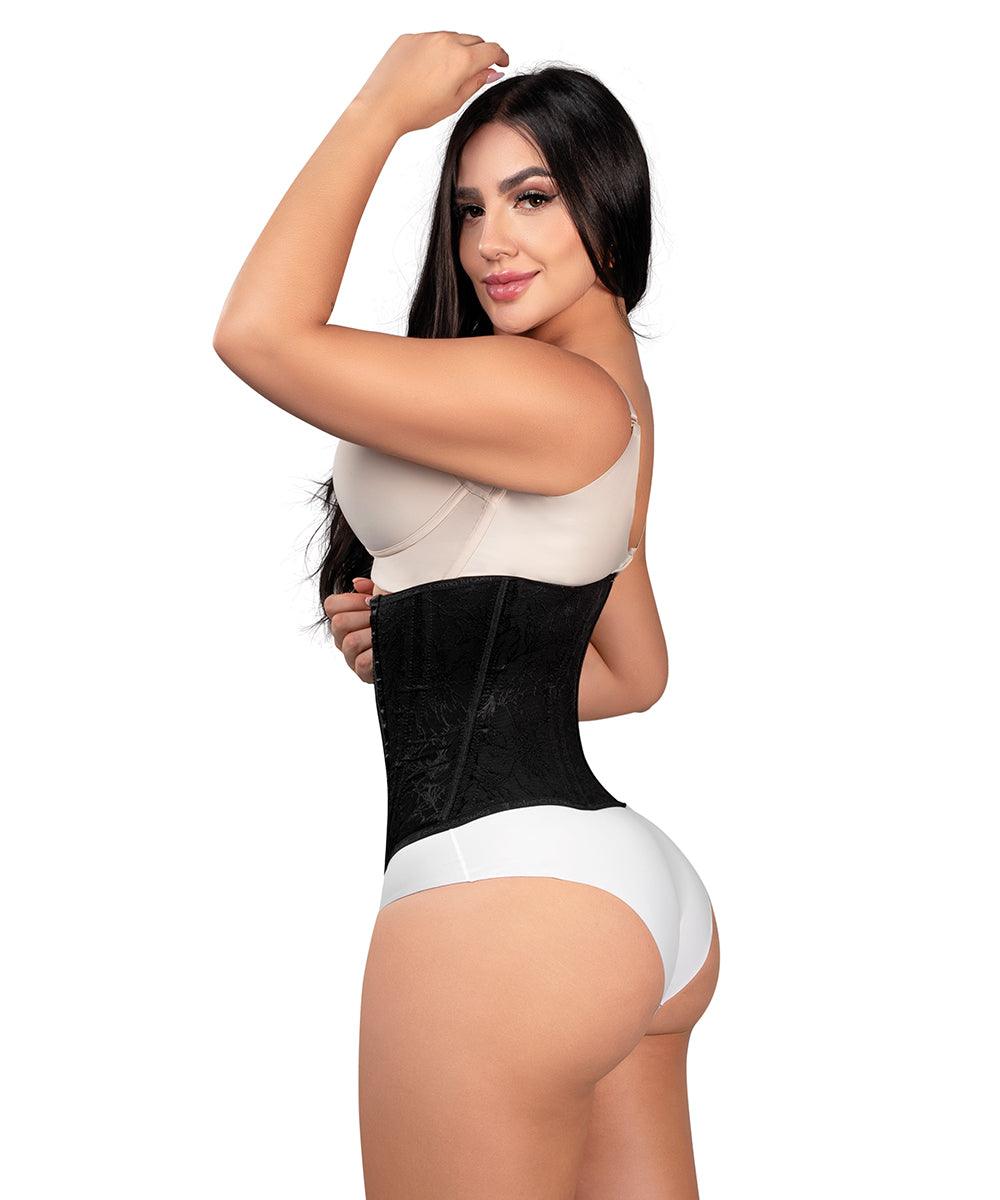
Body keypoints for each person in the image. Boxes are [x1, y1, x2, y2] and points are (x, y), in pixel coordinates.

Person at [213, 31, 720, 1199]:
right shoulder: (613, 401)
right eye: (468, 208)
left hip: (503, 898)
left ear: (610, 208)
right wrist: (426, 651)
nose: (491, 240)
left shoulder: (553, 394)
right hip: (624, 900)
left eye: (532, 198)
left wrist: (380, 108)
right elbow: (632, 670)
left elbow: (258, 334)